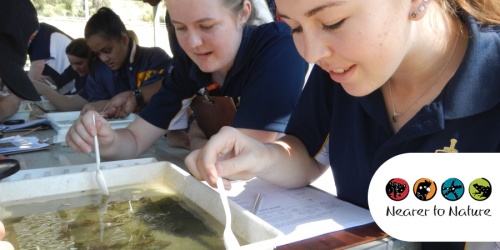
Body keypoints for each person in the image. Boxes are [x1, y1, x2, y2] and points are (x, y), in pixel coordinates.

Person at [185, 0, 500, 249]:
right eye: (293, 27)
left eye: (331, 22)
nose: (310, 54)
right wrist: (261, 155)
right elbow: (306, 154)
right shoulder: (338, 72)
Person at [65, 0, 307, 158]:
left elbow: (238, 160)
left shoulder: (279, 46)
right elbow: (134, 139)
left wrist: (196, 137)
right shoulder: (190, 65)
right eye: (180, 28)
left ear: (244, 13)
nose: (192, 44)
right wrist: (104, 139)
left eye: (207, 26)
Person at [80, 7, 173, 114]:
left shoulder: (154, 58)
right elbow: (96, 103)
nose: (104, 58)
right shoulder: (98, 68)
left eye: (107, 50)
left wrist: (133, 99)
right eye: (98, 53)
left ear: (124, 39)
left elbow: (159, 100)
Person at [32, 38, 90, 111]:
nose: (75, 68)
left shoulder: (96, 77)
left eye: (80, 63)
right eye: (71, 63)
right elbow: (58, 82)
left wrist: (44, 89)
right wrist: (49, 82)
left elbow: (70, 105)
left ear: (92, 59)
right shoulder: (73, 68)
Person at [27, 23, 73, 87]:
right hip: (61, 80)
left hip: (71, 83)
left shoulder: (40, 33)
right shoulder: (36, 33)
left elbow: (37, 67)